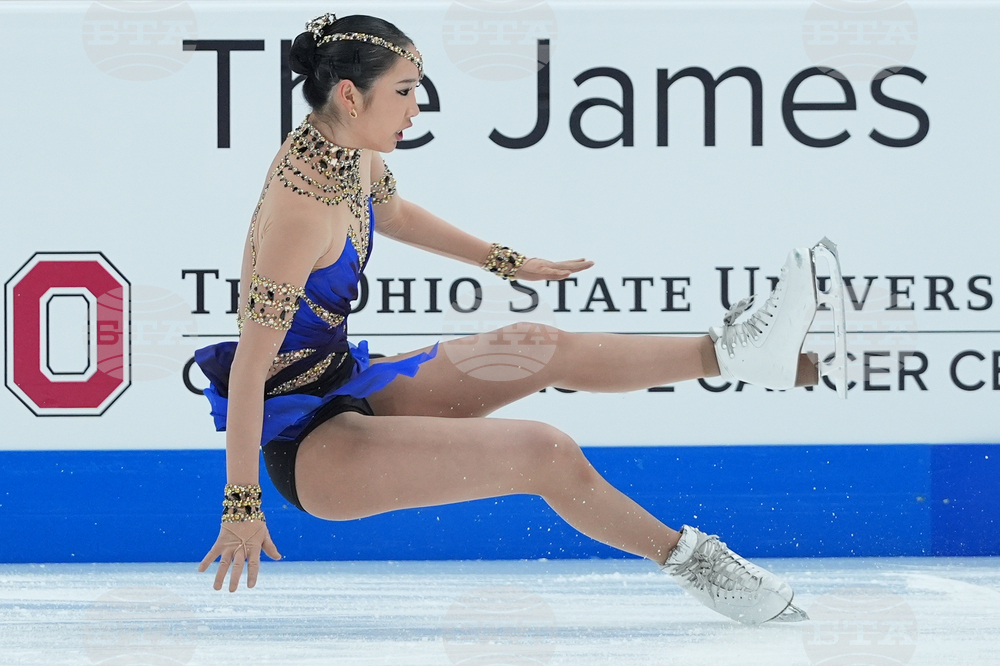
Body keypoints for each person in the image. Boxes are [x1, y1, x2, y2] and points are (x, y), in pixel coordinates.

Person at [195, 12, 848, 625]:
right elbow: (250, 371)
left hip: (344, 381)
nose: (417, 109)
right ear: (349, 95)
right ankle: (704, 571)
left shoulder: (348, 151)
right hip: (308, 451)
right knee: (545, 451)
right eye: (405, 92)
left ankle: (734, 354)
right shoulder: (299, 208)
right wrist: (241, 508)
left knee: (539, 345)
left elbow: (392, 216)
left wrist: (506, 261)